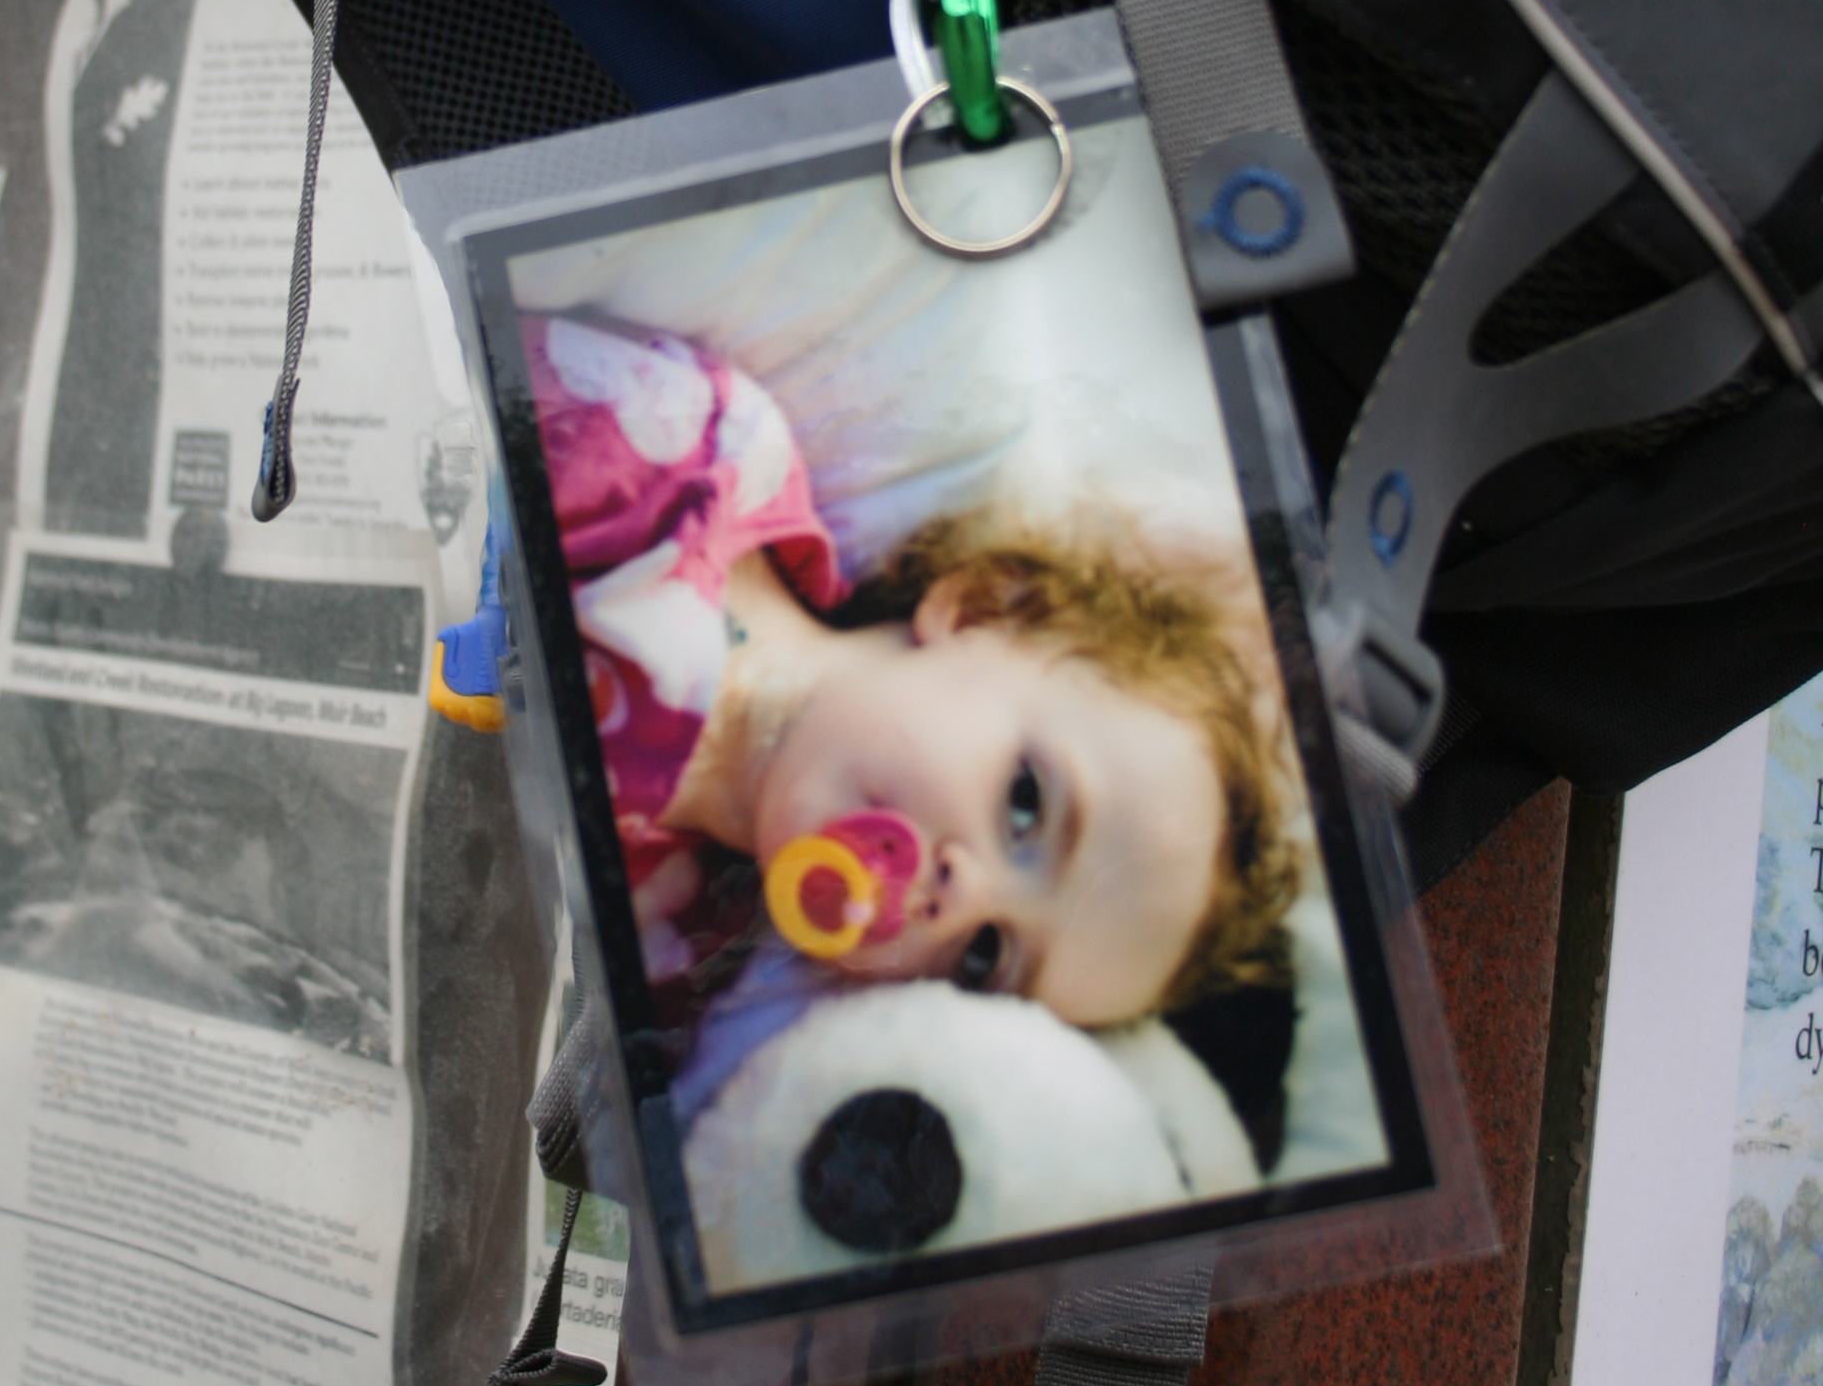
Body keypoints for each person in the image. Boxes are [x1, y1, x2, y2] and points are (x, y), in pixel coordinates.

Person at [523, 311, 1309, 1115]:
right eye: (1026, 803)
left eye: (983, 959)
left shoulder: (678, 971)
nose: (959, 899)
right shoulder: (688, 462)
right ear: (986, 608)